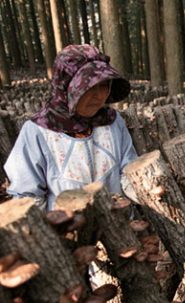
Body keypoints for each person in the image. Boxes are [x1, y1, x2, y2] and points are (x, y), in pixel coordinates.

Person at [4, 44, 137, 211]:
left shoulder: (113, 122)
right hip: (65, 233)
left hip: (120, 228)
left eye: (103, 86)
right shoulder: (38, 132)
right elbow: (26, 197)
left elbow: (129, 172)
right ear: (65, 88)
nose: (98, 96)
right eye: (87, 87)